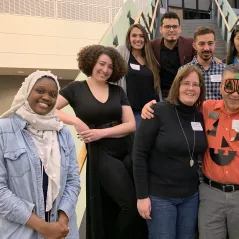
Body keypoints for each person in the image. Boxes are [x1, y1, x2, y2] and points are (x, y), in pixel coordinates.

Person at [141, 64, 239, 239]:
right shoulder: (206, 109)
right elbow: (179, 109)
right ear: (220, 87)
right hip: (210, 195)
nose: (235, 93)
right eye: (229, 86)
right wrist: (153, 108)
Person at [56, 45, 147, 238]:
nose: (105, 70)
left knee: (140, 202)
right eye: (101, 64)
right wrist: (76, 121)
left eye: (110, 67)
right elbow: (49, 109)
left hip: (127, 147)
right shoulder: (75, 89)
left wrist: (101, 133)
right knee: (129, 205)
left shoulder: (117, 91)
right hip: (101, 153)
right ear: (91, 63)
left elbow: (131, 125)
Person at [0, 70, 81, 239]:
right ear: (27, 91)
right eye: (40, 91)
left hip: (62, 231)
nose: (47, 97)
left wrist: (62, 221)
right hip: (20, 232)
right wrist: (42, 227)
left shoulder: (63, 133)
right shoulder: (3, 130)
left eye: (53, 94)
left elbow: (73, 181)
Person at [133, 65, 208, 239]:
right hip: (160, 197)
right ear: (177, 86)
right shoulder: (157, 111)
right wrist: (141, 196)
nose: (190, 88)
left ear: (200, 89)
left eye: (195, 84)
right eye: (186, 83)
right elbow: (139, 154)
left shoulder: (199, 117)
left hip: (190, 196)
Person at [151, 12, 222, 99]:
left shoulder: (189, 43)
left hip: (183, 91)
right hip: (161, 92)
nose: (171, 30)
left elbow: (203, 50)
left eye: (174, 26)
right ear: (161, 29)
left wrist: (213, 57)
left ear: (180, 29)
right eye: (167, 27)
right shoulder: (152, 45)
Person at [116, 23, 160, 124]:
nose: (138, 39)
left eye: (141, 36)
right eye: (134, 35)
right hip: (133, 112)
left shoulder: (150, 58)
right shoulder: (122, 51)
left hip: (153, 111)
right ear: (129, 38)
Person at [181, 26, 226, 100]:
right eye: (201, 44)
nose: (206, 48)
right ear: (194, 46)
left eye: (210, 43)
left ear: (215, 45)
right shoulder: (183, 71)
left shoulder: (225, 70)